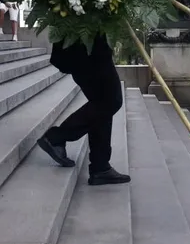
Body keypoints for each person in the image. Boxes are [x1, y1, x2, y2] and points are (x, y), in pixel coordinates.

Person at [35, 34, 131, 186]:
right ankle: (56, 137)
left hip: (84, 49)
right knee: (111, 100)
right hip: (87, 48)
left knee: (102, 103)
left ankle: (100, 167)